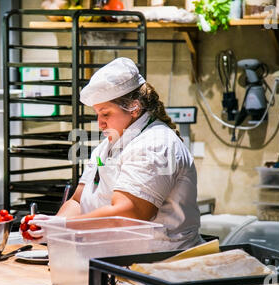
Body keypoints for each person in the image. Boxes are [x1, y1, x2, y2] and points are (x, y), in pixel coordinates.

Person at [26, 57, 202, 250]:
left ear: (134, 108)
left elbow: (129, 214)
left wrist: (64, 227)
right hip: (113, 260)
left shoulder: (156, 144)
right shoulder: (108, 145)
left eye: (106, 113)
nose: (99, 123)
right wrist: (55, 229)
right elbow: (78, 199)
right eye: (97, 114)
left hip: (158, 265)